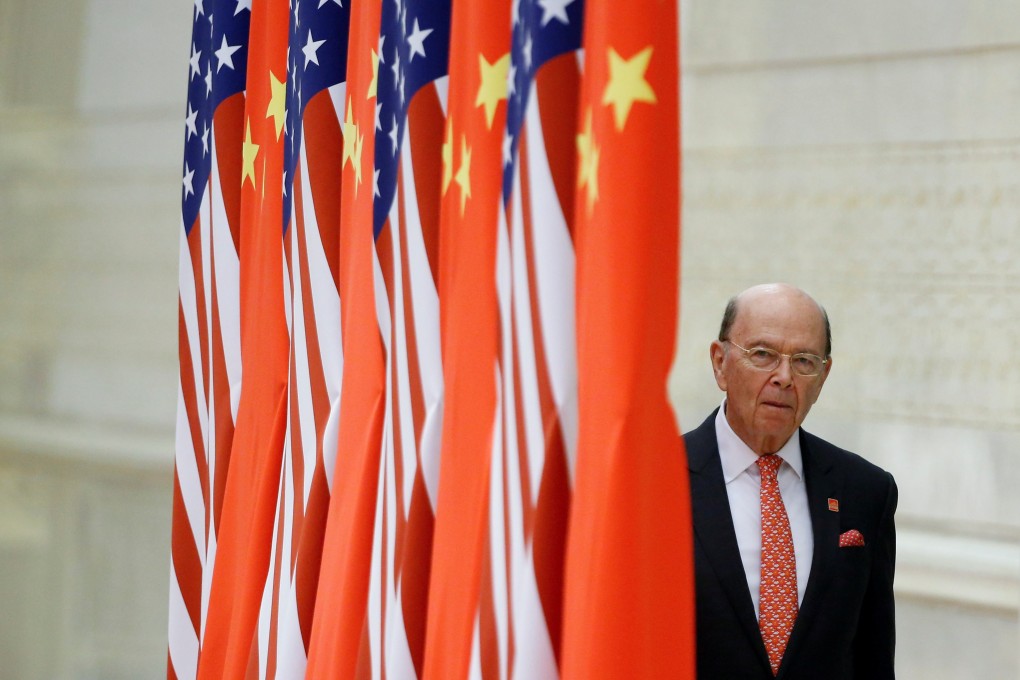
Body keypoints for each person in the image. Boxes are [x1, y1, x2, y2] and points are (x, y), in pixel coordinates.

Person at [684, 283, 897, 679]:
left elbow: (873, 657)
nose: (783, 377)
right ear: (720, 362)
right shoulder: (656, 484)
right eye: (762, 355)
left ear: (824, 375)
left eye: (803, 361)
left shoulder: (865, 492)